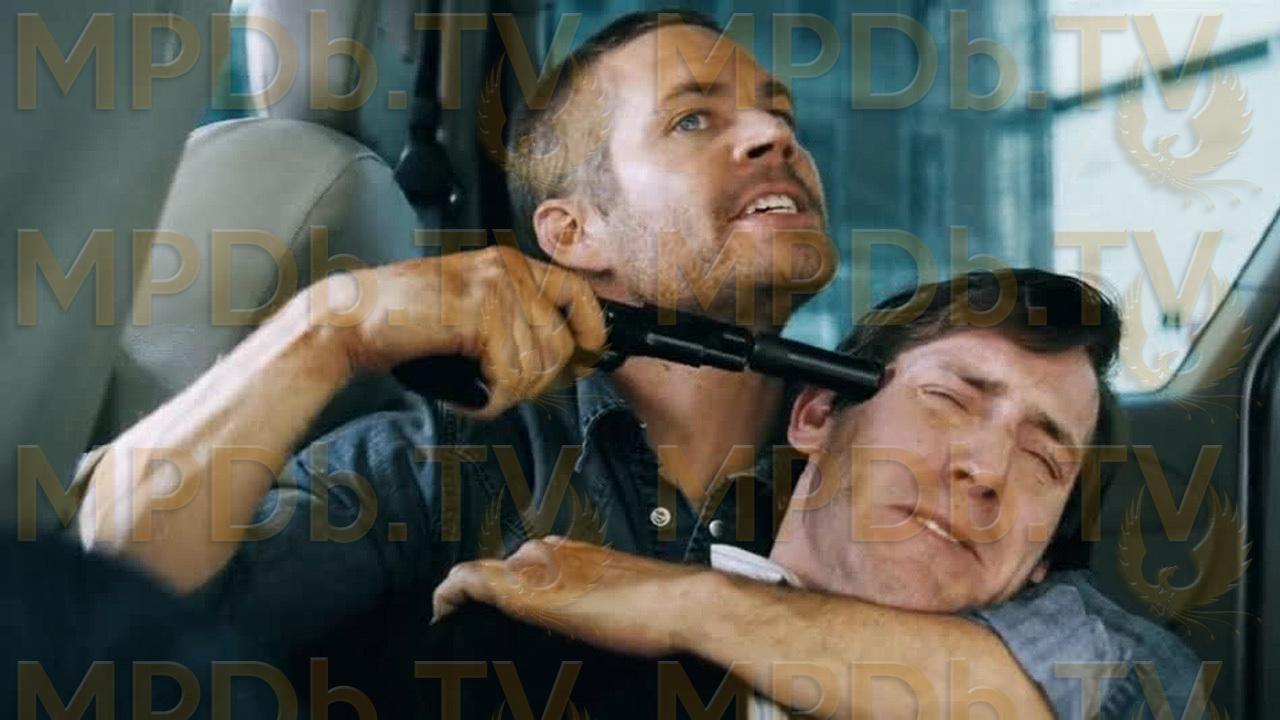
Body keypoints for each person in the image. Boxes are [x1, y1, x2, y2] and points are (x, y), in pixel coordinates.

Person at [75, 9, 1193, 717]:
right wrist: (330, 328)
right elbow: (97, 614)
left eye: (780, 117)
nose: (774, 137)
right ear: (572, 232)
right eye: (694, 121)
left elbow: (1127, 677)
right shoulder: (434, 466)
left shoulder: (885, 467)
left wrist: (682, 605)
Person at [434, 269, 1204, 718]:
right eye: (948, 399)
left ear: (1042, 562)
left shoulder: (1109, 679)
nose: (987, 469)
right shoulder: (544, 652)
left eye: (1042, 460)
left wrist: (700, 605)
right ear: (815, 415)